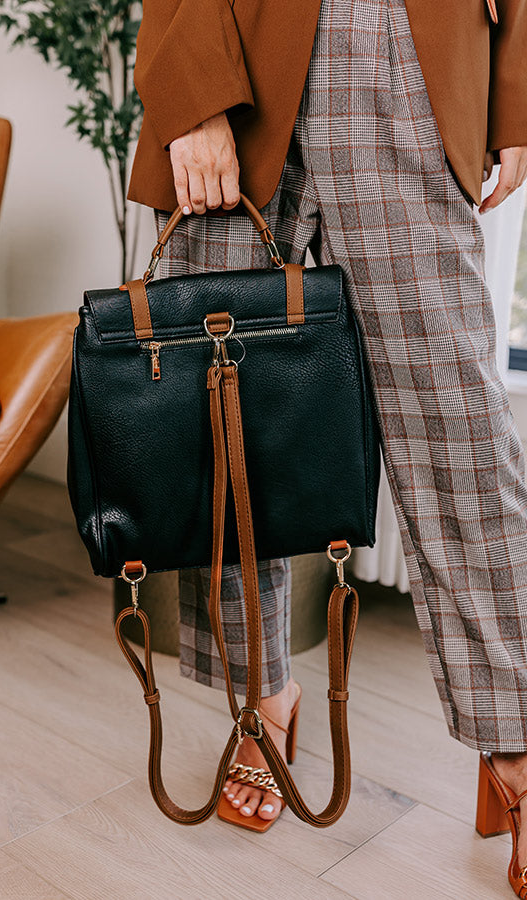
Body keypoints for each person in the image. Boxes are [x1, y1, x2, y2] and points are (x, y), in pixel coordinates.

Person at [126, 0, 527, 890]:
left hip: (414, 58)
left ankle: (519, 738)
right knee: (230, 438)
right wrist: (192, 102)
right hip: (238, 50)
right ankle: (262, 703)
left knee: (460, 438)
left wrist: (513, 98)